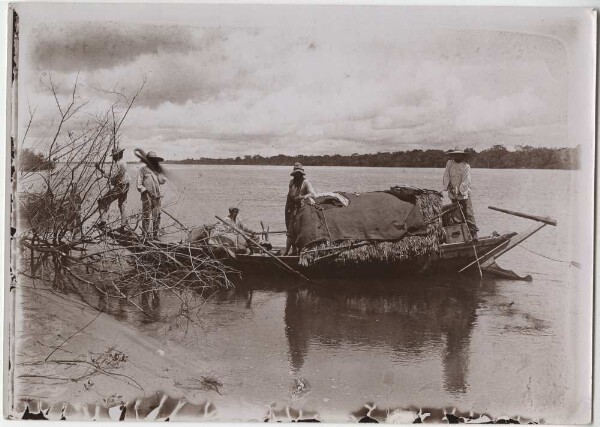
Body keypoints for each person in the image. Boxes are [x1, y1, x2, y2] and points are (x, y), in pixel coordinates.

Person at [442, 147, 478, 240]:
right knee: (456, 214)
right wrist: (449, 187)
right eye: (455, 154)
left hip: (464, 193)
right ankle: (462, 236)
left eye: (458, 154)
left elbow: (466, 181)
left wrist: (459, 191)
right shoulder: (449, 163)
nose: (456, 156)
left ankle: (473, 234)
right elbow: (446, 176)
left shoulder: (466, 166)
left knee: (468, 213)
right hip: (453, 192)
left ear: (462, 155)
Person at [284, 163, 316, 255]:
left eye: (298, 174)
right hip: (292, 209)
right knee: (290, 230)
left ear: (301, 174)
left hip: (303, 209)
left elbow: (313, 194)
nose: (297, 176)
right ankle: (290, 251)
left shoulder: (306, 182)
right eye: (295, 174)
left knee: (300, 231)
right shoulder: (291, 183)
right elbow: (289, 196)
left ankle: (300, 251)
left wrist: (302, 197)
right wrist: (288, 208)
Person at [96, 147, 129, 230]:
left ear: (117, 155)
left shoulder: (118, 163)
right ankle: (123, 225)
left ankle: (103, 222)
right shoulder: (124, 162)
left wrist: (100, 170)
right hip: (126, 185)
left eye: (114, 156)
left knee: (102, 201)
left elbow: (111, 175)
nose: (113, 158)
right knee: (122, 205)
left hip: (120, 186)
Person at [136, 151, 166, 239]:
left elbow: (162, 181)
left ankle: (155, 235)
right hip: (146, 196)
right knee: (146, 215)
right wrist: (144, 190)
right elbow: (138, 184)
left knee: (157, 215)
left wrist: (159, 174)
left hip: (157, 196)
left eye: (154, 160)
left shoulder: (157, 170)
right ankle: (145, 234)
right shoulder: (142, 170)